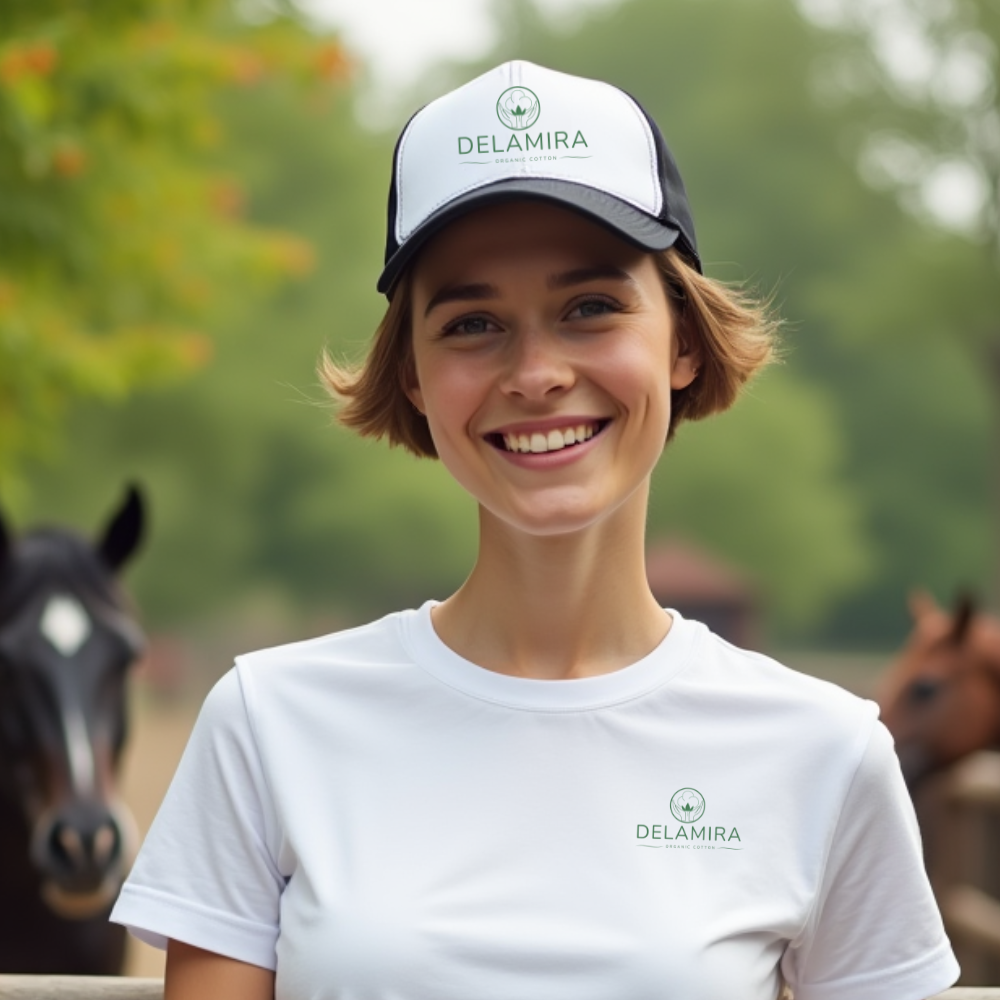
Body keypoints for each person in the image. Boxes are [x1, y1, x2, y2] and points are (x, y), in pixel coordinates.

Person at [111, 61, 960, 1000]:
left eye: (590, 308)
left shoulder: (823, 750)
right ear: (414, 379)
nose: (536, 372)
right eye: (473, 322)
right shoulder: (269, 722)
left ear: (680, 341)